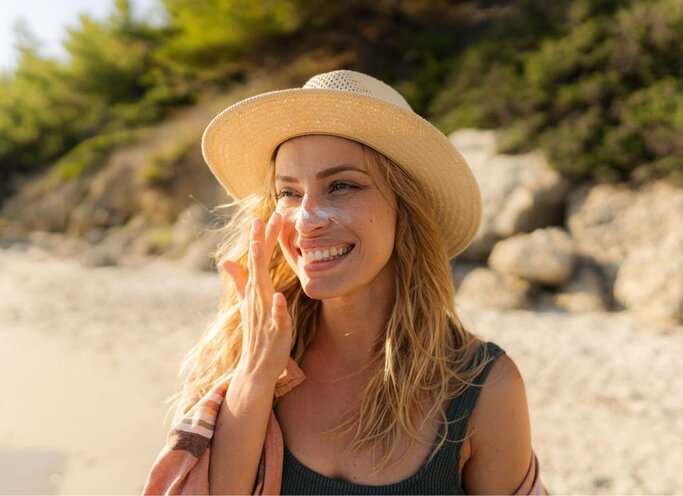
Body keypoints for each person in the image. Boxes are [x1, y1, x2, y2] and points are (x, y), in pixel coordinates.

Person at [143, 70, 546, 495]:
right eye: (289, 193)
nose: (307, 220)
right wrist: (255, 376)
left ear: (405, 208)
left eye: (342, 185)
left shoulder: (482, 386)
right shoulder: (231, 357)